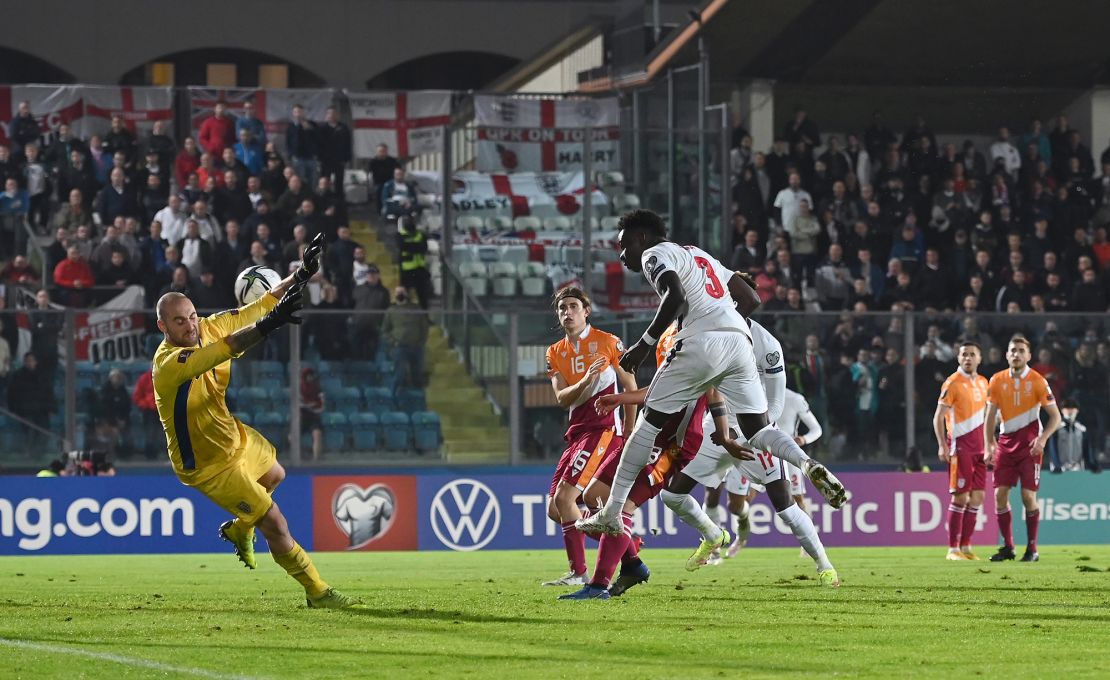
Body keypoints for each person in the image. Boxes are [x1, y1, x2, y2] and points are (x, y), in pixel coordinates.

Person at [577, 209, 846, 542]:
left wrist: (646, 344)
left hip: (701, 341)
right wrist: (722, 325)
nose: (623, 255)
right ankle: (806, 464)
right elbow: (750, 298)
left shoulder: (654, 254)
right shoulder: (698, 253)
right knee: (759, 428)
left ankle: (612, 512)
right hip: (739, 342)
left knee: (649, 423)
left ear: (640, 238)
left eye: (624, 246)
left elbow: (673, 296)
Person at [152, 233, 359, 608]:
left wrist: (301, 274)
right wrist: (270, 325)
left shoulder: (210, 325)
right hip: (208, 464)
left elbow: (262, 303)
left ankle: (238, 527)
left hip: (234, 437)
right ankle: (317, 591)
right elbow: (227, 349)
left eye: (192, 316)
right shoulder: (168, 367)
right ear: (163, 328)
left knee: (275, 476)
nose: (190, 325)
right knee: (275, 523)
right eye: (179, 322)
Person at [542, 286, 638, 587]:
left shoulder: (608, 342)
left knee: (566, 498)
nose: (567, 312)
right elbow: (561, 398)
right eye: (562, 308)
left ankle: (580, 573)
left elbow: (629, 384)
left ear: (586, 311)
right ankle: (628, 548)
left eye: (573, 306)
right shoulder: (555, 352)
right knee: (555, 509)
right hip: (578, 431)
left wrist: (631, 430)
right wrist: (587, 380)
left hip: (604, 429)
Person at [984, 335, 1062, 563]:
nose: (1016, 354)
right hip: (1005, 444)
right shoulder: (997, 380)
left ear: (1028, 356)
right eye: (1012, 350)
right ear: (1007, 354)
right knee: (999, 496)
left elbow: (1055, 417)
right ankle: (1008, 547)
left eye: (1020, 350)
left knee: (1028, 497)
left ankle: (1032, 548)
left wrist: (1043, 439)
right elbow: (989, 417)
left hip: (1029, 446)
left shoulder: (1038, 381)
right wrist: (989, 443)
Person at [933, 341, 990, 561]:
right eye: (964, 354)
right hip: (960, 446)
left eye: (972, 354)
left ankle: (966, 547)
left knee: (977, 498)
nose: (968, 358)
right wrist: (942, 444)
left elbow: (986, 416)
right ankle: (952, 549)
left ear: (979, 358)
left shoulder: (984, 382)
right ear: (958, 358)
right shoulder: (952, 383)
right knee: (960, 497)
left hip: (980, 448)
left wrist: (990, 442)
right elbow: (938, 416)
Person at [381, 285, 429, 393]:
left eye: (402, 292)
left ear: (406, 294)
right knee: (399, 374)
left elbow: (424, 327)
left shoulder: (416, 309)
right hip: (400, 348)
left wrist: (421, 342)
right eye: (397, 292)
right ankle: (394, 398)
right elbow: (384, 330)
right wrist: (394, 342)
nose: (400, 294)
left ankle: (419, 402)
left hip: (416, 347)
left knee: (417, 375)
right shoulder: (391, 310)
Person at [351, 262, 391, 360]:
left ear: (378, 275)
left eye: (373, 273)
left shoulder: (384, 292)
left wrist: (380, 324)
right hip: (358, 325)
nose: (371, 275)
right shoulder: (358, 289)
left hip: (374, 328)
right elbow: (352, 305)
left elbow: (386, 309)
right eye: (369, 273)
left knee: (371, 353)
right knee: (356, 352)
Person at [397, 216, 431, 309]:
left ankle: (425, 317)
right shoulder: (400, 235)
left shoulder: (420, 234)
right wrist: (416, 246)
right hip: (406, 270)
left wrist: (410, 246)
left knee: (423, 296)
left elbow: (423, 248)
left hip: (420, 269)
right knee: (404, 295)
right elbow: (402, 246)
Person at [299, 367, 325, 461]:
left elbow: (321, 406)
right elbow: (299, 404)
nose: (310, 378)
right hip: (302, 417)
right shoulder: (299, 389)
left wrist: (313, 408)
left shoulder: (317, 389)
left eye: (311, 376)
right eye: (308, 376)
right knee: (291, 437)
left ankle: (316, 460)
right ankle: (301, 456)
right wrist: (308, 405)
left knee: (317, 434)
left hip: (314, 417)